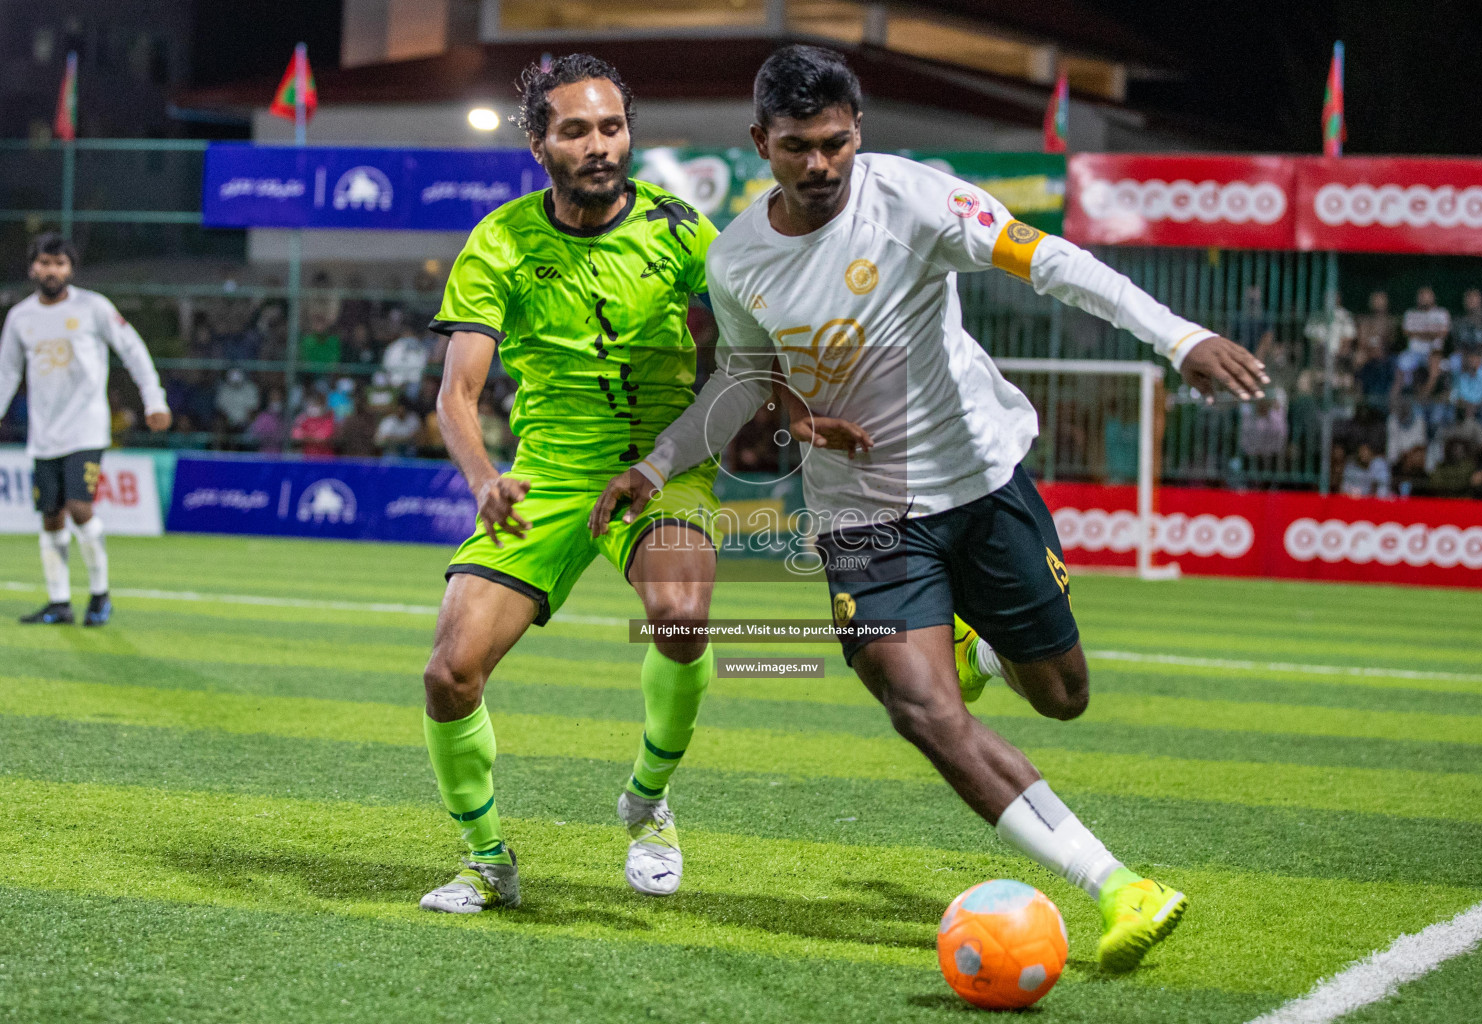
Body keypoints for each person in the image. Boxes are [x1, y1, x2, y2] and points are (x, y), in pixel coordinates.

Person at [591, 45, 1268, 973]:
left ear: (858, 129)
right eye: (797, 147)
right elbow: (743, 379)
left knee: (1062, 697)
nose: (820, 164)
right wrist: (658, 463)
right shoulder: (739, 257)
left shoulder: (916, 199)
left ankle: (977, 644)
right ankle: (1119, 884)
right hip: (860, 520)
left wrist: (1178, 337)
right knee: (919, 708)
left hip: (982, 483)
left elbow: (1054, 264)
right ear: (762, 144)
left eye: (835, 142)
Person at [416, 54, 723, 914]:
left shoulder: (680, 230)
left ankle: (649, 801)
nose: (599, 145)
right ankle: (487, 859)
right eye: (577, 130)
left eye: (613, 127)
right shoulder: (503, 240)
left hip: (658, 466)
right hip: (544, 477)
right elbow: (458, 392)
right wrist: (483, 477)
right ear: (539, 142)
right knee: (450, 673)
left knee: (682, 617)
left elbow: (750, 352)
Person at [0, 233, 171, 625]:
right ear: (33, 267)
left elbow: (133, 349)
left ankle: (100, 593)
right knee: (50, 516)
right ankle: (59, 602)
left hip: (86, 428)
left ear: (70, 269)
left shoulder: (94, 307)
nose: (51, 270)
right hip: (44, 433)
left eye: (59, 263)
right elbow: (7, 371)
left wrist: (155, 400)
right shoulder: (21, 317)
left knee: (80, 507)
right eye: (44, 262)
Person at [1394, 286, 1449, 395]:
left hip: (1434, 353)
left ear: (1433, 297)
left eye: (1427, 296)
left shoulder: (1441, 313)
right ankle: (1395, 405)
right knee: (1401, 364)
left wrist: (1418, 332)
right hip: (1414, 353)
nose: (1424, 298)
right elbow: (1407, 332)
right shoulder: (1410, 314)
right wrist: (1431, 333)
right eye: (1421, 296)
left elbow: (1443, 333)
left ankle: (1425, 394)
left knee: (1439, 366)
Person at [1451, 287, 1482, 368]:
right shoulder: (1458, 321)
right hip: (1464, 355)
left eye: (1473, 298)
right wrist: (1467, 357)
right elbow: (1457, 345)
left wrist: (1476, 357)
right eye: (1468, 298)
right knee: (1454, 361)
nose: (1470, 300)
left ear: (1480, 300)